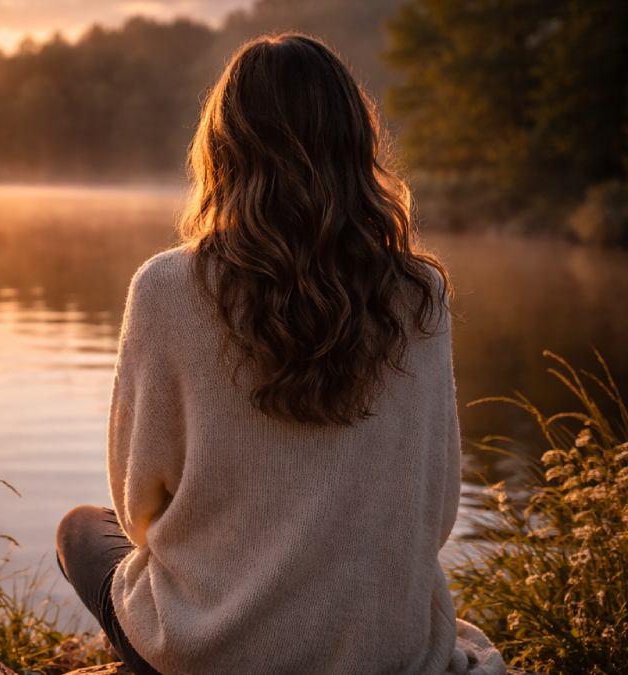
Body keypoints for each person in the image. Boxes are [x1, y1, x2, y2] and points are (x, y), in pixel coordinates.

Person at [54, 34, 505, 675]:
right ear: (355, 145)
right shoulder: (419, 293)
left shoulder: (167, 287)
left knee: (80, 528)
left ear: (224, 148)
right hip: (385, 649)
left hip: (212, 650)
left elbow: (137, 508)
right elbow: (436, 510)